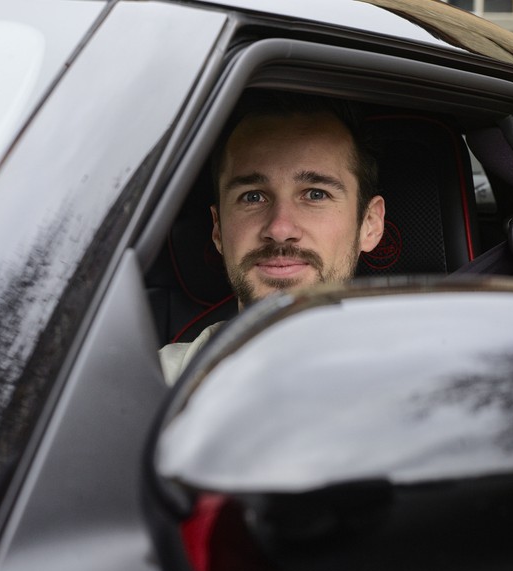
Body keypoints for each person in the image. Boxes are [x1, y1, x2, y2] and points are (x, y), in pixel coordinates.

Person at [159, 91, 386, 384]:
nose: (280, 228)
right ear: (217, 229)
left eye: (316, 194)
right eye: (253, 197)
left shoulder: (428, 382)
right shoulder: (150, 385)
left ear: (369, 224)